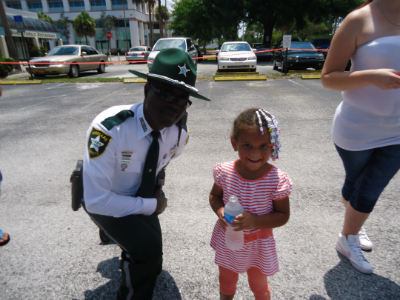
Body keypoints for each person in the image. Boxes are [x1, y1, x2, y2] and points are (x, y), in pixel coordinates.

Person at [82, 48, 210, 300]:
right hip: (103, 199)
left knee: (155, 254)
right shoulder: (110, 128)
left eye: (182, 99)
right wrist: (152, 205)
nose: (174, 105)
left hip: (137, 194)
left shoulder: (179, 134)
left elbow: (161, 163)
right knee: (147, 251)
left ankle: (115, 233)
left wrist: (156, 189)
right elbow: (97, 200)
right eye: (165, 93)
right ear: (146, 89)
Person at [321, 0, 400, 274]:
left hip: (398, 131)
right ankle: (355, 227)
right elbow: (328, 77)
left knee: (369, 188)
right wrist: (371, 76)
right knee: (356, 184)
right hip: (357, 130)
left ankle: (348, 237)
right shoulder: (358, 20)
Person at [209, 108, 292, 300]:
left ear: (274, 145)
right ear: (234, 142)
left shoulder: (276, 180)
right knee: (226, 282)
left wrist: (254, 221)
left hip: (258, 245)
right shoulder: (225, 172)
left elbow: (283, 215)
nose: (255, 153)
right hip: (229, 241)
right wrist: (220, 211)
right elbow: (215, 196)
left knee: (258, 285)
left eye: (264, 146)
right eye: (247, 145)